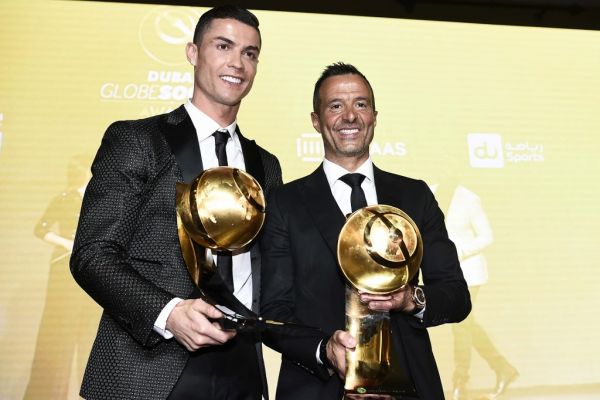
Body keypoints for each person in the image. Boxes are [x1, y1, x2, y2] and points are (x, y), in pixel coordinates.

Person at [70, 6, 282, 400]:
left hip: (242, 371)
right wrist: (169, 314)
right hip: (146, 367)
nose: (238, 62)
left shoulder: (266, 165)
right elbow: (92, 254)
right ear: (193, 53)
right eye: (224, 46)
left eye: (250, 53)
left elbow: (274, 269)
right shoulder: (136, 140)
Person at [260, 62, 471, 399]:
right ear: (316, 120)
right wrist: (325, 349)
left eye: (360, 104)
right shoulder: (285, 203)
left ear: (374, 115)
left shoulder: (414, 196)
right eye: (335, 106)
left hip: (411, 388)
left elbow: (457, 296)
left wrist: (409, 300)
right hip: (317, 388)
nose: (350, 116)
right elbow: (273, 312)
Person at [430, 181, 518, 400]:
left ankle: (460, 383)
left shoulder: (469, 199)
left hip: (469, 272)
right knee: (465, 325)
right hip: (445, 274)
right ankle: (502, 368)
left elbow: (487, 236)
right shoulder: (429, 192)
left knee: (461, 325)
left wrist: (460, 250)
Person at [24, 155, 100, 399]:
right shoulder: (65, 199)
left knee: (89, 330)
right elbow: (41, 229)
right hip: (64, 268)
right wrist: (67, 242)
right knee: (61, 330)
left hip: (89, 268)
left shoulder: (97, 200)